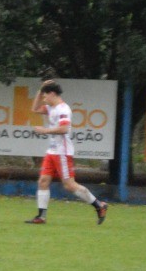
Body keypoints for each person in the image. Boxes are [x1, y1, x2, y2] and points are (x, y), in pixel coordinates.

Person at [25, 80, 109, 225]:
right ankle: (41, 216)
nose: (43, 99)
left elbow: (64, 129)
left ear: (52, 94)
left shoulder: (63, 109)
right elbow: (34, 109)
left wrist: (45, 130)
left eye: (45, 96)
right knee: (43, 181)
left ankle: (99, 206)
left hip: (62, 152)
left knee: (69, 185)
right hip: (52, 151)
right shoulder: (51, 108)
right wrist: (40, 89)